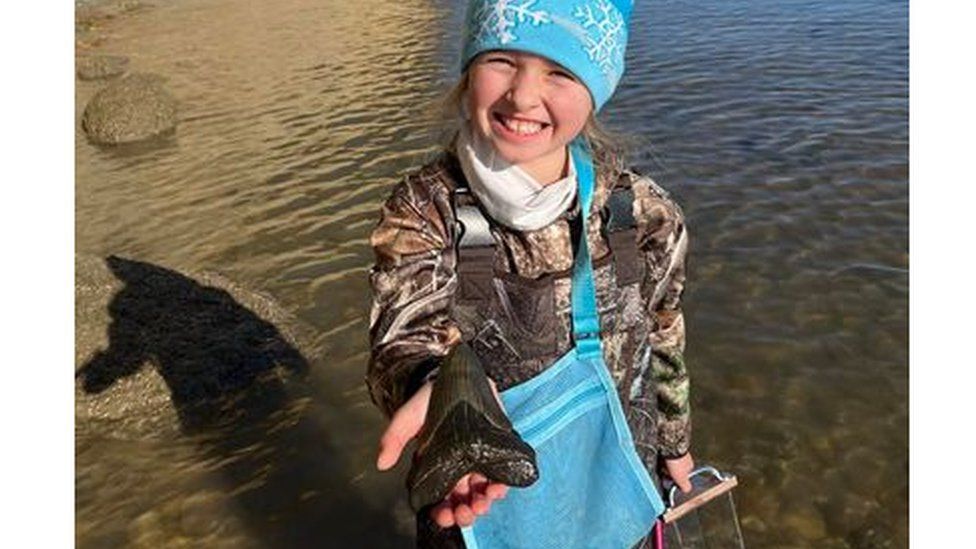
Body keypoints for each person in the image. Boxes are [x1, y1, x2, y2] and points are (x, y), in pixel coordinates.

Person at [366, 1, 694, 546]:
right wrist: (445, 395)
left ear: (597, 86)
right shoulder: (425, 210)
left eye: (560, 72)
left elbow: (663, 332)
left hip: (614, 482)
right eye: (501, 60)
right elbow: (402, 335)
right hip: (473, 489)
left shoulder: (643, 214)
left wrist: (676, 444)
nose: (522, 95)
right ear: (468, 68)